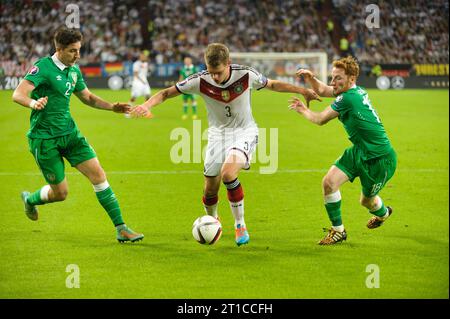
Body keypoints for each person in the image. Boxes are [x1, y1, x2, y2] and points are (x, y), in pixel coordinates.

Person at [132, 43, 320, 246]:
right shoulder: (200, 80)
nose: (214, 77)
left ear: (228, 63)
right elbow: (166, 93)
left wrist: (302, 90)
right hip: (217, 136)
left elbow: (273, 84)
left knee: (229, 173)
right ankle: (212, 220)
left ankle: (240, 224)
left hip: (244, 132)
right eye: (211, 72)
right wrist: (146, 104)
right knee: (210, 189)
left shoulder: (246, 75)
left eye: (218, 72)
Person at [12, 27, 144, 243]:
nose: (78, 55)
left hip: (70, 134)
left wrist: (112, 107)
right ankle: (30, 200)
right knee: (61, 193)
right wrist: (33, 103)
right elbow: (18, 94)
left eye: (79, 50)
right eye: (73, 51)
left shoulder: (73, 71)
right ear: (59, 49)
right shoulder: (43, 68)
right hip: (44, 140)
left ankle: (121, 228)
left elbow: (88, 98)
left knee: (99, 175)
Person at [290, 56, 397, 245]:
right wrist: (311, 78)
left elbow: (320, 119)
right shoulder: (352, 90)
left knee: (366, 202)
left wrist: (302, 109)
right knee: (329, 183)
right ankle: (338, 231)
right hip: (359, 151)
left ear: (351, 78)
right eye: (333, 77)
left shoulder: (348, 98)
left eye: (338, 78)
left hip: (379, 159)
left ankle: (383, 213)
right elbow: (323, 90)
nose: (333, 82)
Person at [127, 51, 152, 118]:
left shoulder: (146, 64)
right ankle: (127, 112)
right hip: (137, 82)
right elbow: (135, 74)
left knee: (148, 96)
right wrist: (142, 81)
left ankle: (146, 112)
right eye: (143, 56)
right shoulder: (136, 64)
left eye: (145, 56)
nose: (145, 57)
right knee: (134, 98)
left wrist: (144, 81)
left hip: (145, 82)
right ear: (140, 56)